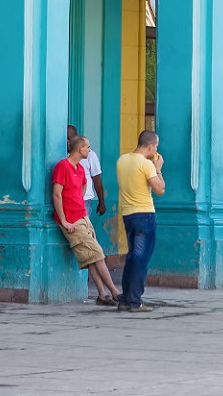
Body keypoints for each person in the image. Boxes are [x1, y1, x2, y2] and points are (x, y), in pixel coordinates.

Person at [53, 134, 120, 306]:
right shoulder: (63, 167)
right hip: (72, 222)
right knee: (97, 254)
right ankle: (114, 291)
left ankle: (102, 294)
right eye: (88, 147)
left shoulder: (80, 169)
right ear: (80, 149)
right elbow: (56, 194)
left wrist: (79, 207)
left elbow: (83, 188)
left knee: (91, 256)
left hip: (82, 216)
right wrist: (64, 220)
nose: (90, 150)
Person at [115, 130, 164, 313]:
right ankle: (135, 300)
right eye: (156, 146)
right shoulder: (146, 165)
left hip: (128, 214)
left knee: (132, 257)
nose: (156, 149)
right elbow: (160, 189)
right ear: (150, 146)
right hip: (144, 215)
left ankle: (126, 298)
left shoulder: (122, 160)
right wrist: (158, 169)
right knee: (141, 259)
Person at [66, 125, 110, 240]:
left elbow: (97, 180)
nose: (69, 142)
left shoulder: (90, 155)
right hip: (68, 202)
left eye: (71, 138)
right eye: (66, 138)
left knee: (84, 234)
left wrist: (102, 202)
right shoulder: (61, 155)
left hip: (84, 201)